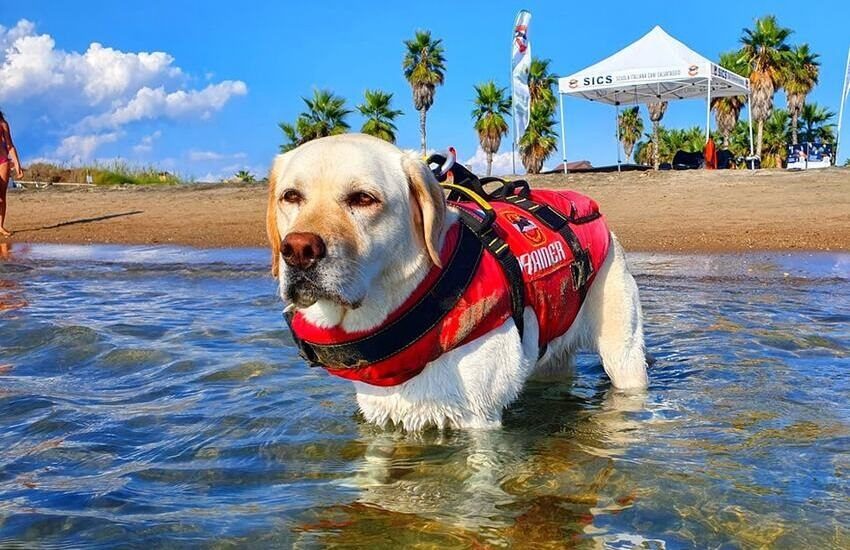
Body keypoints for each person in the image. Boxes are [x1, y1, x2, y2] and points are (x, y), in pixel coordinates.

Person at [0, 110, 24, 237]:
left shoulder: (3, 124)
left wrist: (17, 164)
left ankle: (0, 227)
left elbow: (10, 145)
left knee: (2, 197)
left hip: (2, 161)